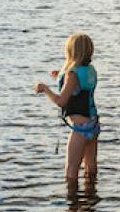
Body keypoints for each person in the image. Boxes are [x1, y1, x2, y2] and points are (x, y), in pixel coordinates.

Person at [34, 33, 101, 187]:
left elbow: (60, 101)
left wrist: (45, 89)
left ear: (71, 51)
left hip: (79, 130)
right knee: (91, 168)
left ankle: (73, 205)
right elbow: (79, 87)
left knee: (71, 171)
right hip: (93, 124)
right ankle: (91, 199)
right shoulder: (90, 70)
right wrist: (60, 77)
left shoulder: (72, 75)